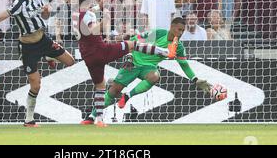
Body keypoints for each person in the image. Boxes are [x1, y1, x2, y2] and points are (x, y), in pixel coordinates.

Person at [0, 0, 76, 127]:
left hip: (44, 40)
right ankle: (29, 119)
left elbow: (44, 15)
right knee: (36, 85)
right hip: (28, 47)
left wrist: (46, 11)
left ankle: (49, 57)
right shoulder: (19, 3)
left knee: (71, 61)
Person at [81, 17, 212, 123]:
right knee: (113, 92)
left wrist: (195, 79)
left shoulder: (178, 47)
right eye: (179, 29)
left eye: (183, 30)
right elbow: (135, 40)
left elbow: (184, 65)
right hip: (133, 63)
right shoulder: (159, 33)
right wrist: (130, 56)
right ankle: (92, 117)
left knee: (155, 76)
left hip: (148, 68)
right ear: (172, 27)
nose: (181, 33)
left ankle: (127, 96)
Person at [76, 0, 174, 126]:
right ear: (89, 0)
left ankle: (94, 119)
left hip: (88, 57)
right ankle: (163, 52)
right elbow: (93, 29)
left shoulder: (76, 15)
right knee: (132, 44)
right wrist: (106, 20)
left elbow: (91, 12)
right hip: (100, 51)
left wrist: (102, 6)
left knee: (100, 86)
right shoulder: (89, 15)